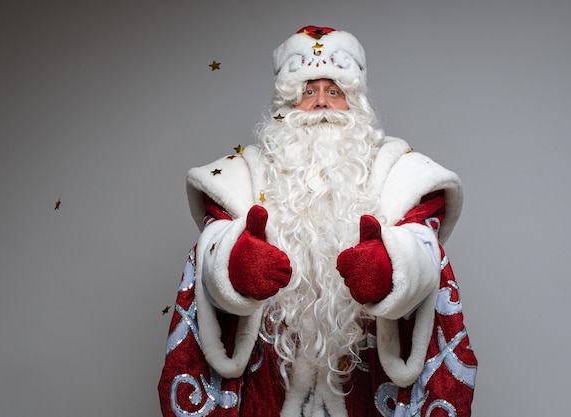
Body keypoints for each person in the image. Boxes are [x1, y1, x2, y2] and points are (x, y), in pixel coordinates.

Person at [158, 25, 477, 417]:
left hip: (368, 381)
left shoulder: (400, 172)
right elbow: (212, 246)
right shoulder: (243, 174)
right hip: (269, 381)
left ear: (354, 103)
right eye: (308, 91)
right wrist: (236, 264)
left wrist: (390, 269)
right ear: (287, 105)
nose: (322, 104)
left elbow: (424, 245)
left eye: (335, 91)